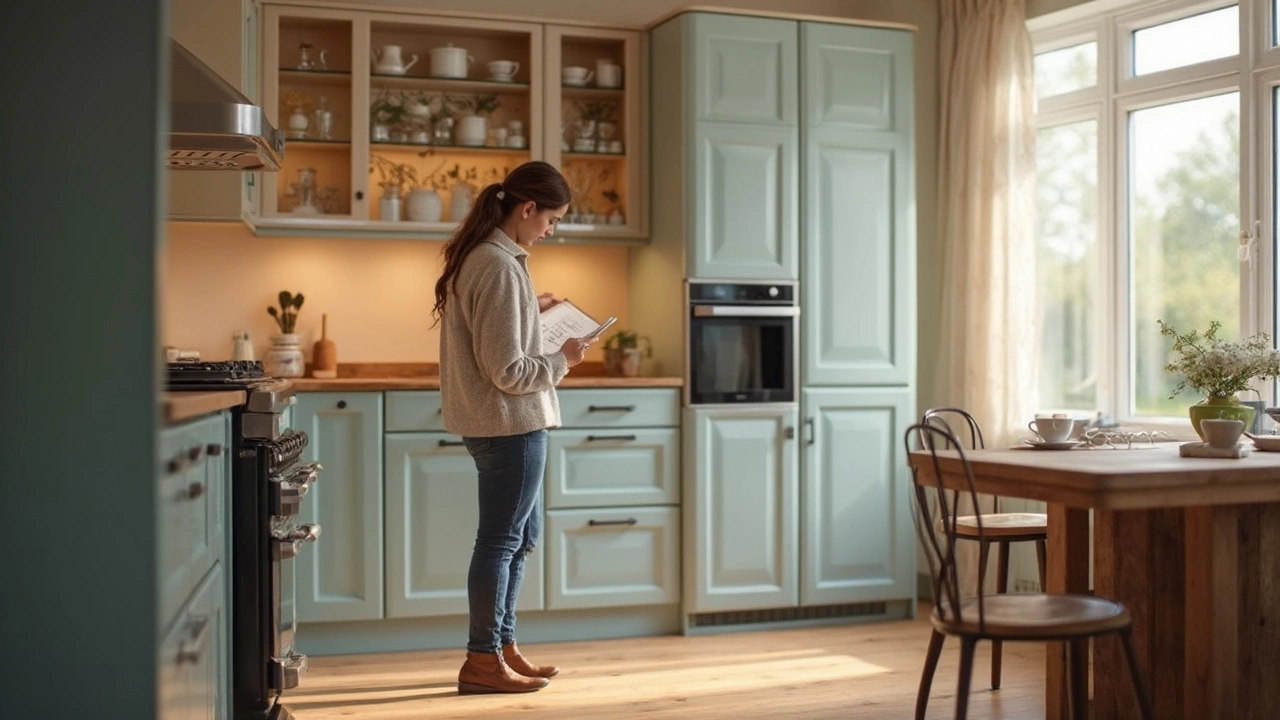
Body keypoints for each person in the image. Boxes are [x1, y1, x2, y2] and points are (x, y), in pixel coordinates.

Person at [432, 160, 590, 694]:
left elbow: (501, 343)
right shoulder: (498, 265)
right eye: (551, 220)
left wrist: (532, 311)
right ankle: (481, 660)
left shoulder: (493, 260)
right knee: (501, 542)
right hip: (511, 427)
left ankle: (502, 646)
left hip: (505, 425)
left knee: (519, 540)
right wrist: (565, 357)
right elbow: (509, 372)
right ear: (527, 209)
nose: (551, 230)